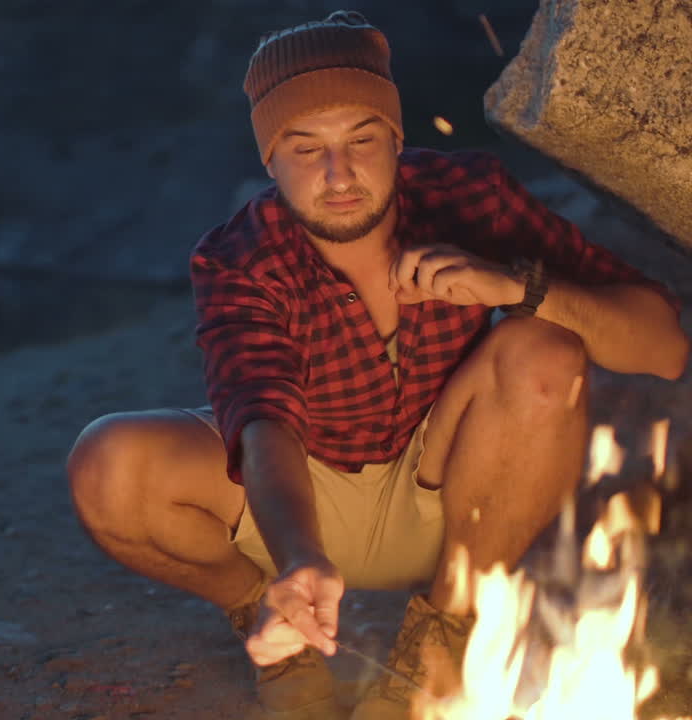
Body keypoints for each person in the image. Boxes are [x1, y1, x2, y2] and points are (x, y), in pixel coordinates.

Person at [66, 10, 687, 720]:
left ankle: (439, 642)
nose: (339, 174)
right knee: (107, 462)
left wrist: (516, 287)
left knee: (544, 347)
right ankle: (278, 627)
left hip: (449, 495)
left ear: (396, 138)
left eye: (362, 139)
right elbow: (263, 422)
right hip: (298, 501)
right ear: (269, 159)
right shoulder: (241, 257)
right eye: (306, 148)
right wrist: (299, 560)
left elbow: (665, 350)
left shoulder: (468, 197)